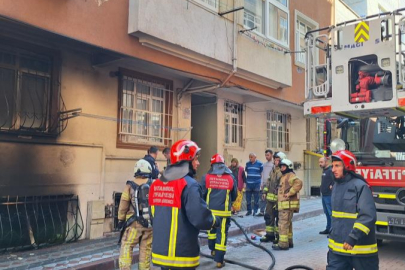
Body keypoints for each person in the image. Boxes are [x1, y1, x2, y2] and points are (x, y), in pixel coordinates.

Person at [149, 140, 219, 270]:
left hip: (161, 254)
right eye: (195, 159)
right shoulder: (189, 185)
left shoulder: (156, 184)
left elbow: (154, 216)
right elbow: (199, 217)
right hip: (181, 255)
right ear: (186, 161)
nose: (198, 163)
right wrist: (214, 220)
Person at [327, 150, 378, 270]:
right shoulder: (335, 187)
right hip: (337, 252)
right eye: (332, 166)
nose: (333, 169)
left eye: (337, 166)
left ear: (348, 166)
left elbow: (368, 216)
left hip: (361, 251)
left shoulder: (361, 186)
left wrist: (353, 237)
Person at [201, 154, 238, 268]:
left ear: (212, 165)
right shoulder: (231, 177)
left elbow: (202, 194)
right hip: (224, 212)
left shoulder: (206, 177)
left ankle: (213, 250)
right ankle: (219, 260)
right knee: (221, 235)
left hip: (210, 212)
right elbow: (235, 195)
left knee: (211, 232)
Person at [117, 159, 153, 270]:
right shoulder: (153, 184)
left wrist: (120, 220)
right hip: (149, 225)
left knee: (127, 247)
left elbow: (123, 204)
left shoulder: (129, 186)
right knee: (145, 250)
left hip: (133, 225)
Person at [272, 158, 303, 251]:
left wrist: (289, 193)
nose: (282, 168)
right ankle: (289, 242)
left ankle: (283, 244)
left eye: (284, 166)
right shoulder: (284, 176)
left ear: (289, 167)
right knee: (288, 225)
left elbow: (299, 183)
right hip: (284, 205)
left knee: (282, 224)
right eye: (281, 166)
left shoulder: (290, 175)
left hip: (286, 205)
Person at [260, 151, 286, 243]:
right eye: (275, 160)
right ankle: (270, 235)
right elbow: (268, 182)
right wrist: (264, 192)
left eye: (278, 160)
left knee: (278, 218)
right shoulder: (273, 170)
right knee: (268, 217)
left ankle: (278, 237)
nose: (276, 162)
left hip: (278, 201)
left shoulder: (282, 172)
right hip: (270, 200)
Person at [319, 156, 334, 235]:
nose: (320, 164)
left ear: (326, 162)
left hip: (329, 195)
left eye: (321, 162)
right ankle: (328, 228)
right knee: (326, 213)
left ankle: (332, 230)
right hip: (324, 195)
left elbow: (335, 179)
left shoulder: (331, 170)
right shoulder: (324, 171)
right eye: (319, 162)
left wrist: (332, 185)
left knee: (331, 213)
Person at [259, 149, 274, 216]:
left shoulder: (273, 165)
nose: (266, 157)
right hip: (264, 184)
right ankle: (262, 211)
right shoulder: (264, 165)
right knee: (263, 197)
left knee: (270, 198)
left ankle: (269, 211)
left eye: (268, 155)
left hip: (271, 184)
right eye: (266, 155)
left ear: (271, 155)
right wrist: (261, 183)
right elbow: (262, 174)